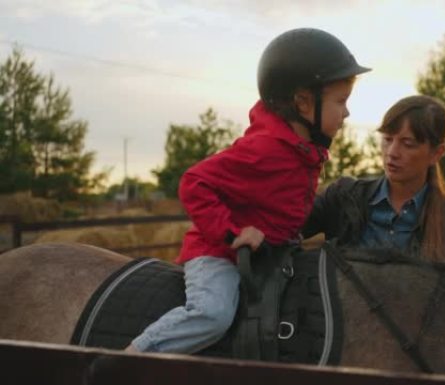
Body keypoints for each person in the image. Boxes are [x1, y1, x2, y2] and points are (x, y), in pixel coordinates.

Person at [125, 28, 370, 354]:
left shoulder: (302, 150)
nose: (347, 112)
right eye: (341, 101)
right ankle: (134, 356)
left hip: (268, 256)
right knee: (213, 314)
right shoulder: (264, 148)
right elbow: (194, 182)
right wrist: (232, 233)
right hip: (219, 255)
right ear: (303, 102)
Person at [302, 95, 445, 273]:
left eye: (408, 144)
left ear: (437, 153)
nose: (392, 152)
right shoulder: (344, 196)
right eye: (387, 139)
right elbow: (284, 227)